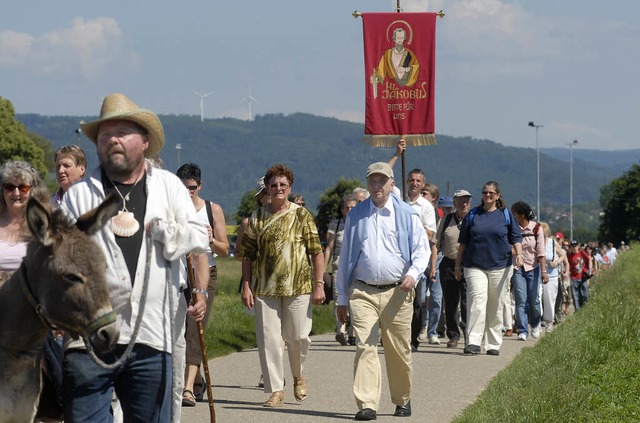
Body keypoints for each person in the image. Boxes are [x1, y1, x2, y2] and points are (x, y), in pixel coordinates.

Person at [61, 93, 209, 422]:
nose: (113, 139)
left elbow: (200, 237)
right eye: (104, 134)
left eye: (123, 132)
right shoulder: (79, 196)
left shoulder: (169, 187)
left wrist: (165, 233)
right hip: (90, 342)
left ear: (144, 141)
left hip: (152, 339)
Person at [336, 162, 430, 421]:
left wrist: (413, 274)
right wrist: (341, 298)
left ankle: (402, 398)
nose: (377, 186)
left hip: (397, 291)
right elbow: (345, 260)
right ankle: (367, 404)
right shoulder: (355, 216)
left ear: (391, 184)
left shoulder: (407, 215)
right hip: (362, 291)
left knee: (398, 349)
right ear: (368, 184)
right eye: (372, 181)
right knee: (365, 346)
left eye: (382, 181)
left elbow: (423, 251)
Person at [238, 164, 325, 407]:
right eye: (273, 185)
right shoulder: (257, 217)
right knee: (269, 339)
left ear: (290, 187)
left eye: (283, 185)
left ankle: (298, 374)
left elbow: (316, 252)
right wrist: (247, 285)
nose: (278, 189)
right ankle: (276, 388)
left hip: (297, 286)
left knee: (297, 336)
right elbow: (247, 255)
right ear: (267, 187)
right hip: (265, 288)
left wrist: (319, 284)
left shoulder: (301, 215)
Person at [176, 163, 229, 406]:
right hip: (178, 275)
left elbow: (225, 248)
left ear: (200, 186)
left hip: (206, 273)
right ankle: (195, 382)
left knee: (195, 327)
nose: (188, 193)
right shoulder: (172, 208)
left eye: (193, 188)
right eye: (183, 188)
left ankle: (187, 388)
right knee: (179, 331)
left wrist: (209, 239)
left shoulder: (212, 209)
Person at [455, 181, 523, 356]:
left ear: (498, 195)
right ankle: (473, 342)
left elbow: (516, 237)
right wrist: (457, 265)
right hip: (474, 265)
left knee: (495, 305)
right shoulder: (473, 214)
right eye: (485, 193)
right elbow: (463, 242)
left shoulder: (505, 215)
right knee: (477, 302)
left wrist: (520, 255)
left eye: (491, 193)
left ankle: (493, 343)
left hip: (500, 266)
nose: (488, 196)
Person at [435, 189, 472, 349]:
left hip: (468, 265)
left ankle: (469, 334)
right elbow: (436, 244)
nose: (464, 204)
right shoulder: (447, 220)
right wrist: (432, 266)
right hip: (448, 264)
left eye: (467, 201)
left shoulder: (474, 219)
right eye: (461, 201)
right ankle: (453, 335)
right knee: (450, 302)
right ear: (454, 203)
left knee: (467, 302)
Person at [510, 202, 547, 341]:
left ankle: (536, 323)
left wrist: (543, 271)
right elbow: (509, 247)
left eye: (514, 213)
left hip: (534, 267)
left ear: (522, 215)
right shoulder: (512, 229)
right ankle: (523, 330)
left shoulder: (536, 228)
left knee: (534, 300)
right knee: (520, 300)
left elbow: (541, 252)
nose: (512, 216)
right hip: (518, 267)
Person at [324, 193, 358, 346]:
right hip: (338, 265)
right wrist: (323, 270)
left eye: (353, 207)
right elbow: (329, 248)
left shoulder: (361, 222)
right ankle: (341, 330)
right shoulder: (335, 225)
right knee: (338, 298)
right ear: (342, 210)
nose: (349, 210)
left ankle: (353, 333)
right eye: (347, 208)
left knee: (355, 300)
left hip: (357, 267)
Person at [567, 241, 591, 311]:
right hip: (574, 278)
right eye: (572, 246)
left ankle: (585, 307)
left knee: (585, 294)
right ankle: (578, 310)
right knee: (575, 296)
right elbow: (567, 265)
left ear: (578, 246)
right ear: (570, 248)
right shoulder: (569, 256)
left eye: (575, 246)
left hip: (583, 277)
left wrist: (589, 269)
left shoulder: (582, 253)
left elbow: (589, 260)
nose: (574, 248)